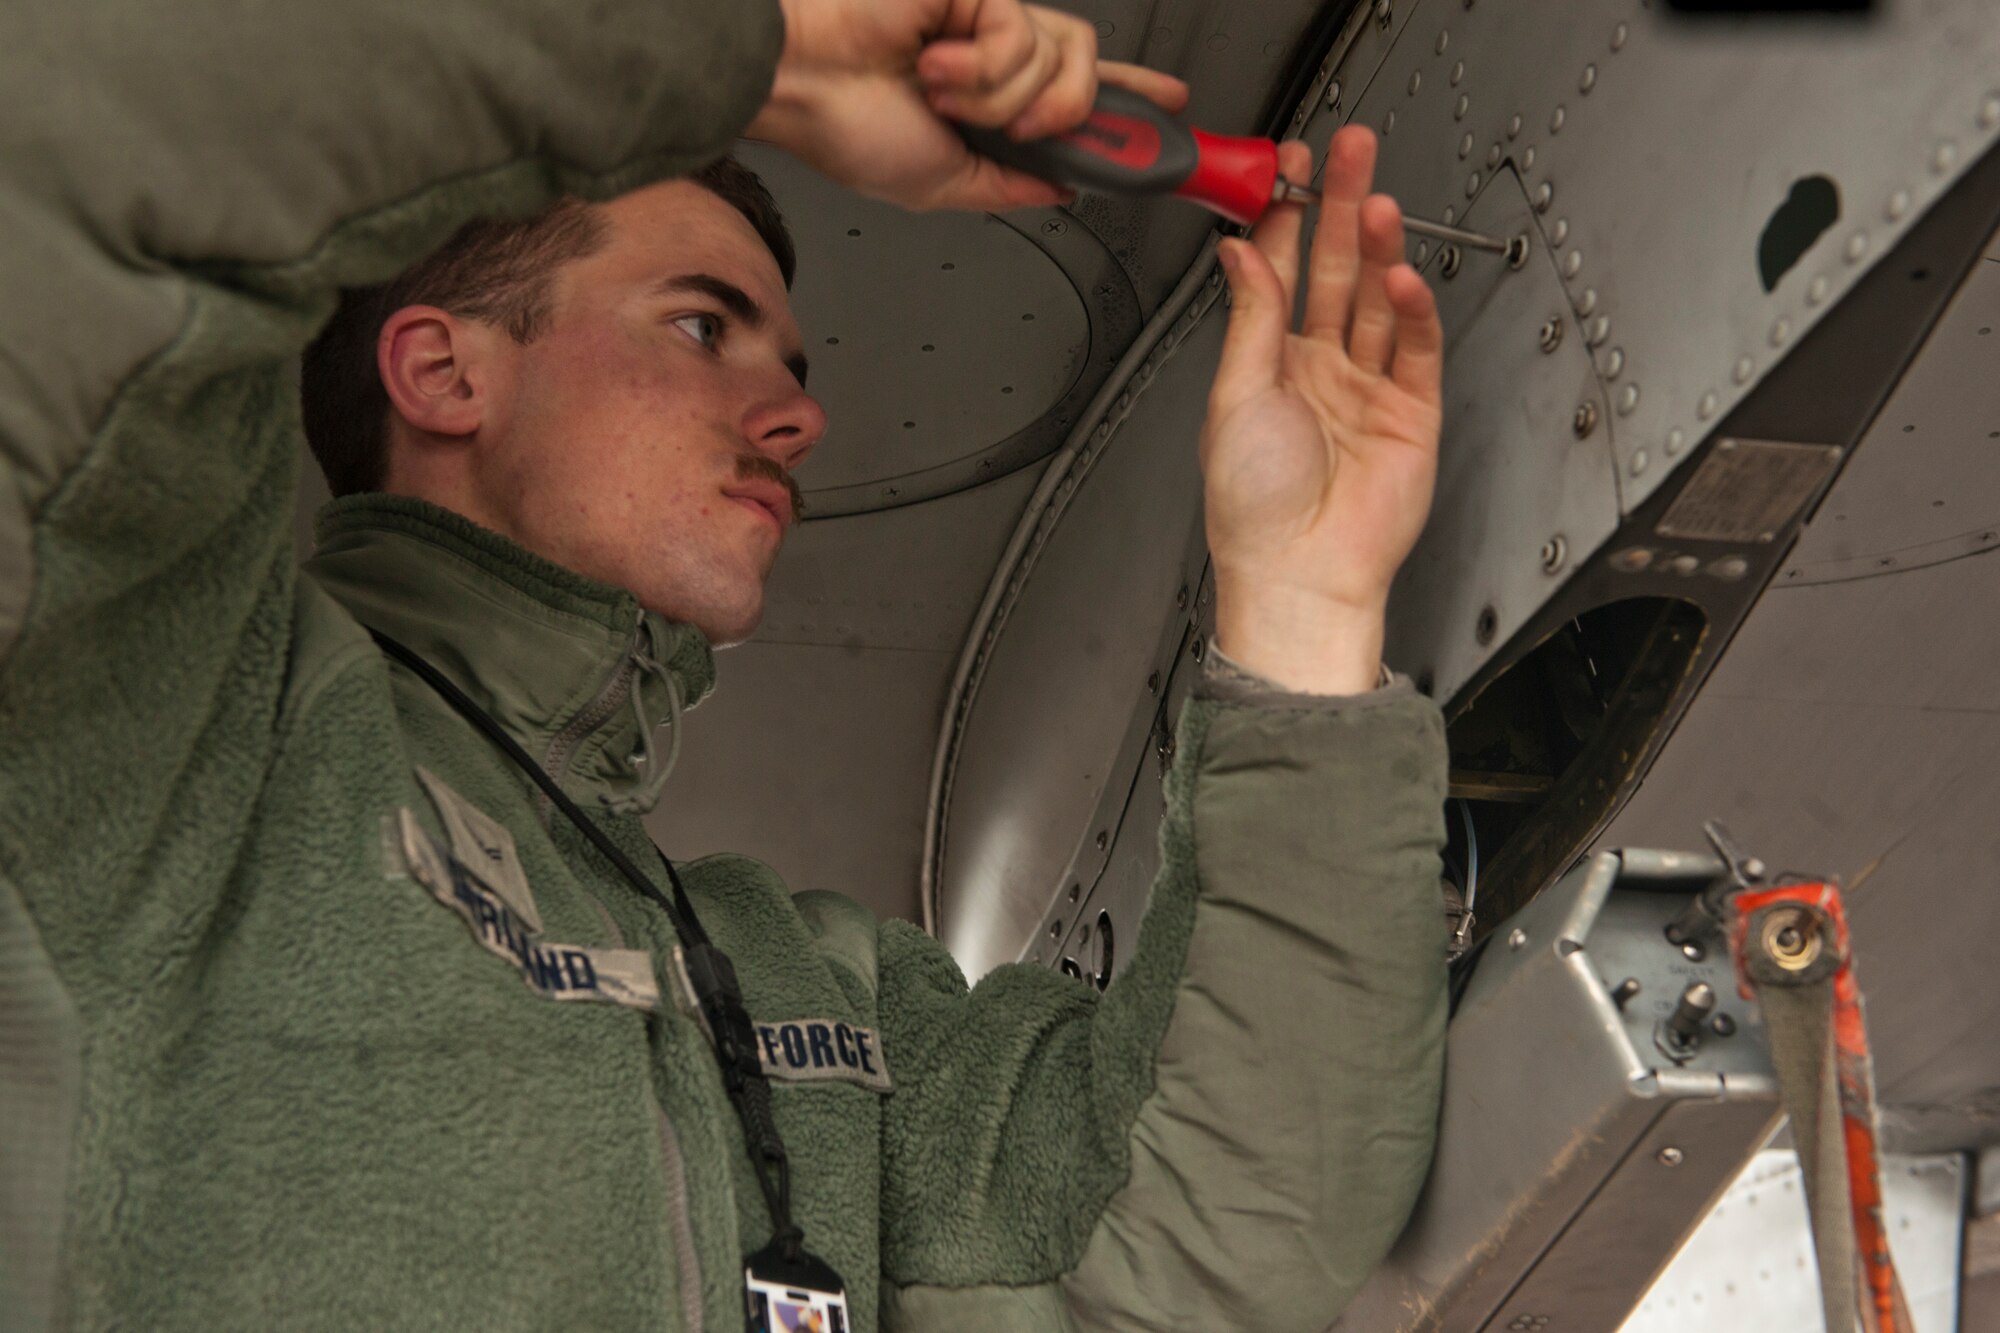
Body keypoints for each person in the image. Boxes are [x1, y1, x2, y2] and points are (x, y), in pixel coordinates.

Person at [0, 0, 1450, 1328]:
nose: (796, 418)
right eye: (703, 327)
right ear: (442, 373)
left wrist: (1303, 602)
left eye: (797, 368)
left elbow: (1206, 1231)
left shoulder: (808, 982)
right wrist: (762, 47)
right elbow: (72, 151)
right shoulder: (185, 726)